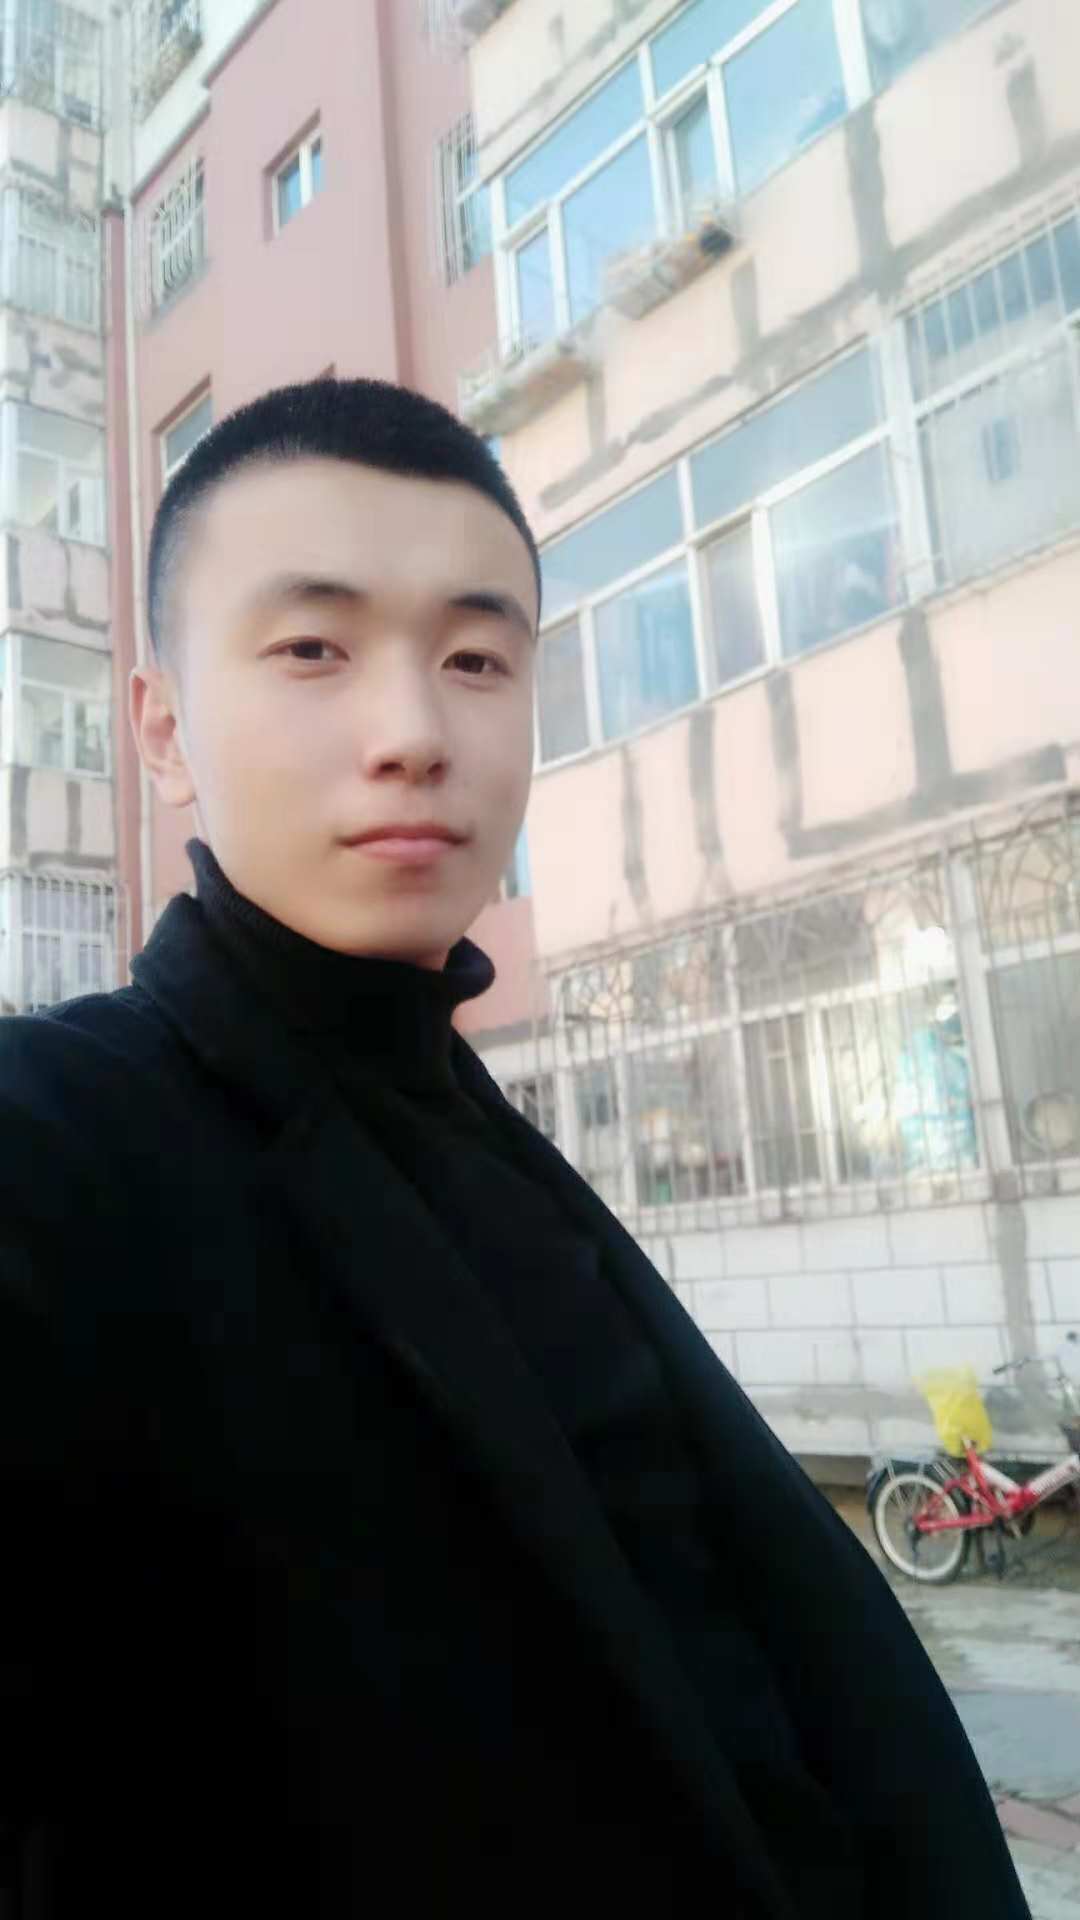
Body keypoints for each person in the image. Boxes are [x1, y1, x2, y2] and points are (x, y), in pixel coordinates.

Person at [0, 379, 1028, 1918]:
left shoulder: (483, 1144)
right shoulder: (66, 1143)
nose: (415, 734)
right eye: (313, 648)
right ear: (160, 728)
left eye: (476, 659)